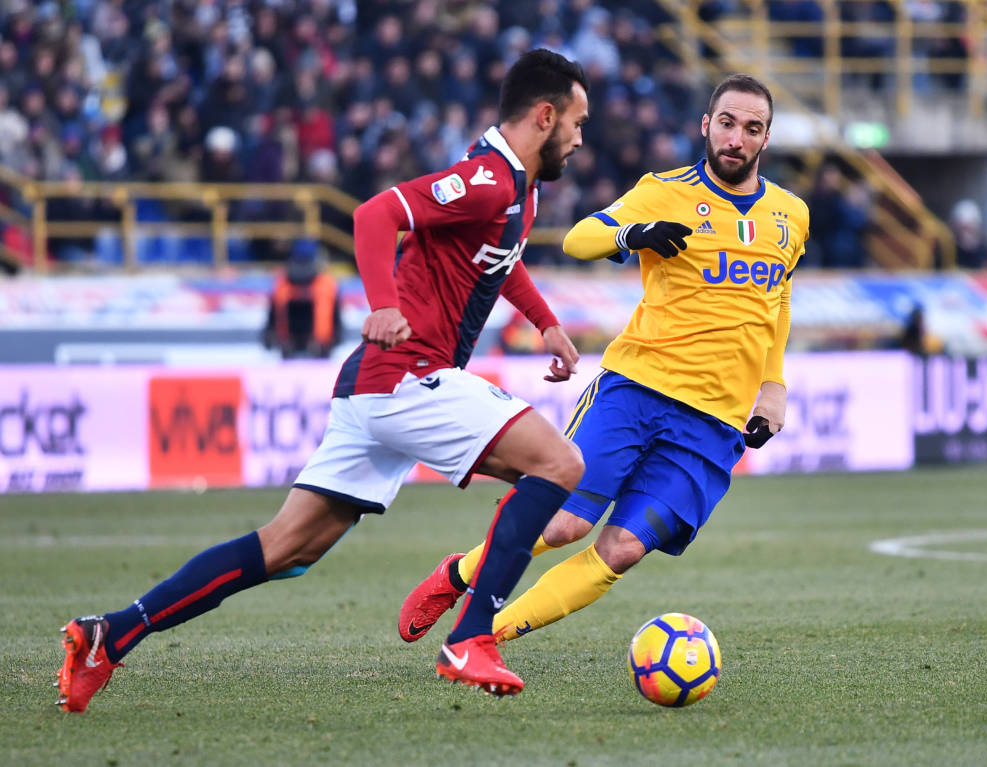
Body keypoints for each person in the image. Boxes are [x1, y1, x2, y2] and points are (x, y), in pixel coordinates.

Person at [55, 49, 590, 712]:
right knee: (560, 465)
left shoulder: (518, 187)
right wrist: (382, 303)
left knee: (283, 548)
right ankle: (471, 634)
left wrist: (545, 322)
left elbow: (497, 258)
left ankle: (109, 633)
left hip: (376, 388)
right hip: (406, 377)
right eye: (576, 121)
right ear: (545, 115)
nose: (580, 136)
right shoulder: (486, 178)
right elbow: (373, 216)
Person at [399, 73, 809, 648]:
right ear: (705, 126)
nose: (736, 138)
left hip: (716, 421)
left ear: (766, 138)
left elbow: (779, 298)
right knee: (564, 523)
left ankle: (487, 635)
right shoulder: (664, 190)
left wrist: (774, 384)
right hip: (638, 387)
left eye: (752, 128)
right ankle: (458, 575)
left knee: (622, 549)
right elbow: (579, 239)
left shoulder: (792, 215)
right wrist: (635, 233)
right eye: (726, 123)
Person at [262, 240, 342, 359]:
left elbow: (271, 320)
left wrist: (269, 340)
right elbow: (337, 320)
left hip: (293, 350)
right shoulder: (327, 284)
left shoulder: (281, 283)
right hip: (316, 351)